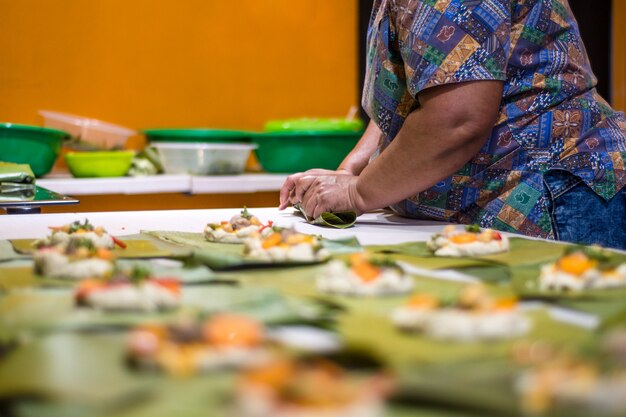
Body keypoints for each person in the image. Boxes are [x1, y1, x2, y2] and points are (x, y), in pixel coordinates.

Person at [279, 0, 626, 250]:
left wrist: (358, 193)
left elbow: (456, 119)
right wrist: (352, 170)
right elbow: (420, 90)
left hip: (557, 195)